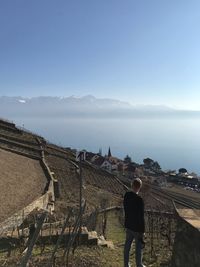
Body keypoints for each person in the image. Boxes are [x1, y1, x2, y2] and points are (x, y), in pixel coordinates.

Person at [123, 178, 146, 267]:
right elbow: (141, 217)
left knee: (127, 246)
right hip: (137, 228)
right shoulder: (139, 200)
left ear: (132, 185)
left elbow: (125, 209)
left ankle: (126, 264)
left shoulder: (127, 195)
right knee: (138, 248)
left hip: (128, 225)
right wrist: (143, 231)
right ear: (140, 187)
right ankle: (139, 265)